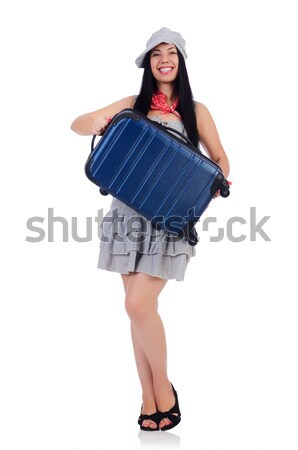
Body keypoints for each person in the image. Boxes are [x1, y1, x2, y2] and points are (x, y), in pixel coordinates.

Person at [71, 27, 230, 431]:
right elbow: (79, 122)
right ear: (147, 63)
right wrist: (96, 123)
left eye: (171, 53)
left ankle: (164, 389)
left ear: (180, 61)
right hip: (126, 215)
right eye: (157, 53)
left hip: (169, 218)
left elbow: (221, 162)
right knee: (137, 311)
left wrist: (208, 189)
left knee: (138, 305)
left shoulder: (198, 111)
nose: (164, 59)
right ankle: (148, 397)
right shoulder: (133, 104)